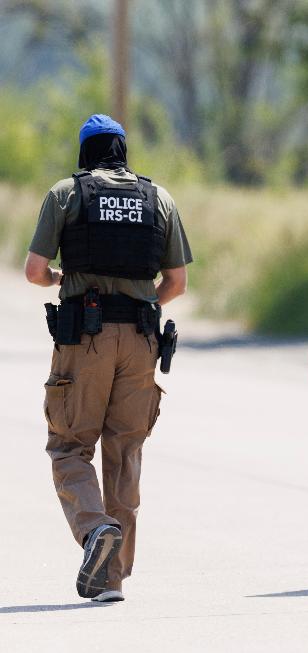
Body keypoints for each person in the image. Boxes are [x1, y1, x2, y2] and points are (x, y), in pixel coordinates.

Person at [24, 114, 193, 602]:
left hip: (85, 339)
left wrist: (62, 280)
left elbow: (35, 271)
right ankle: (111, 579)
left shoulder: (65, 194)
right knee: (125, 453)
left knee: (69, 447)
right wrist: (140, 305)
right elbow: (176, 283)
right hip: (142, 338)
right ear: (121, 148)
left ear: (85, 151)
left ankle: (95, 528)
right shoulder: (157, 198)